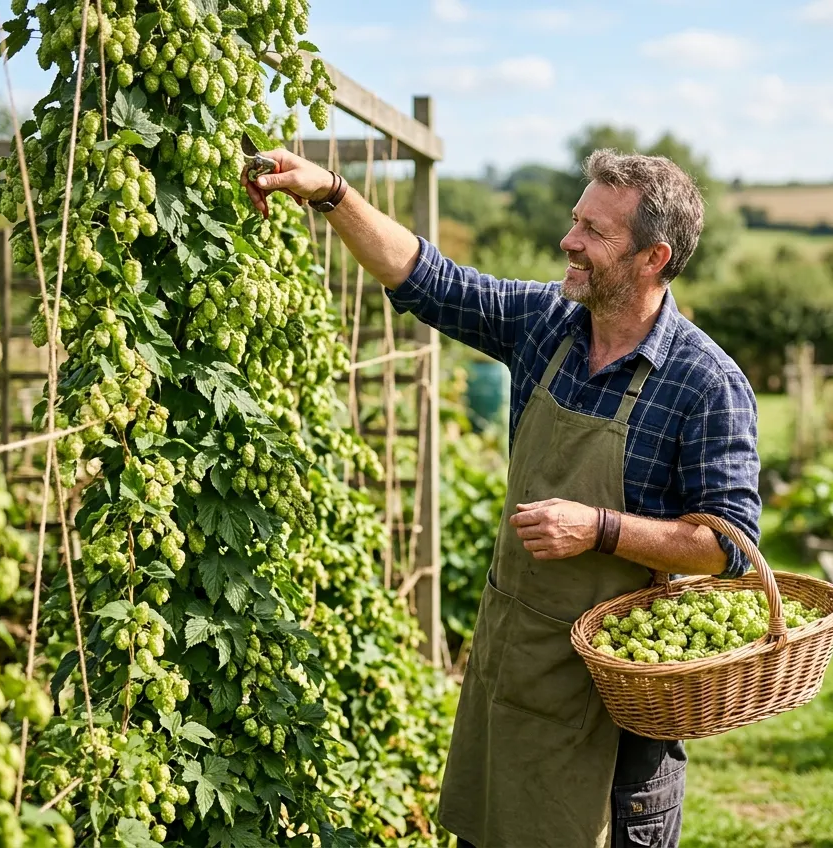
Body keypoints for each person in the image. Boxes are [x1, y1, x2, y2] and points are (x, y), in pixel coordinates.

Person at [242, 145, 762, 848]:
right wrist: (332, 193)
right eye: (575, 220)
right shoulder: (545, 323)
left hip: (616, 708)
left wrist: (603, 529)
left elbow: (731, 548)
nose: (568, 241)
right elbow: (428, 278)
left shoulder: (705, 383)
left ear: (653, 257)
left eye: (594, 232)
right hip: (515, 665)